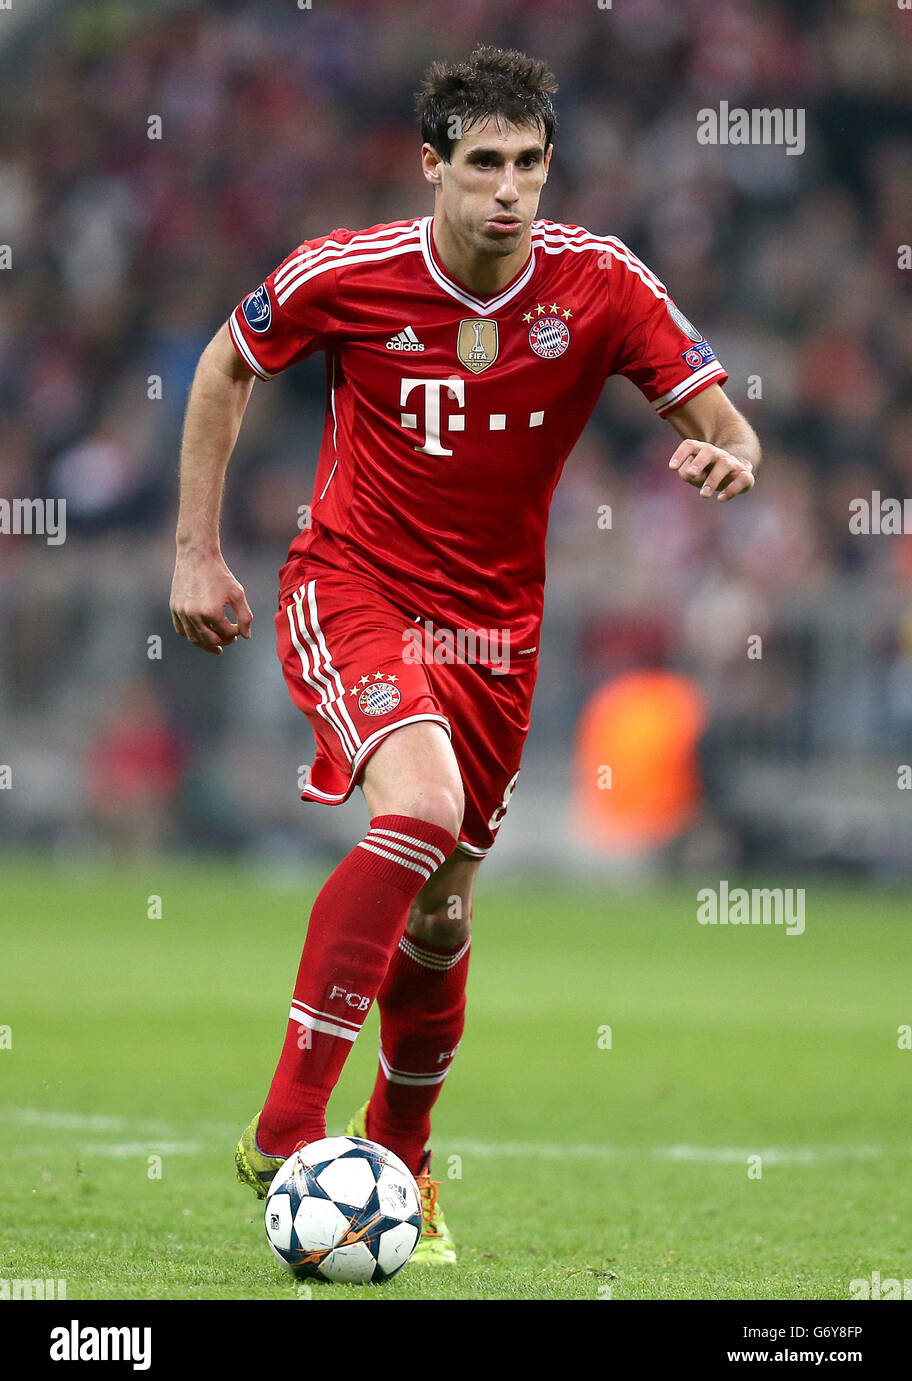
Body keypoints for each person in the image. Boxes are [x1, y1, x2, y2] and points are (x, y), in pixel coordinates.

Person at [169, 45, 760, 1266]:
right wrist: (195, 553)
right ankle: (287, 1121)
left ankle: (404, 1161)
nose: (508, 190)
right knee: (422, 805)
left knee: (441, 921)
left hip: (497, 634)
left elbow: (723, 418)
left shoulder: (600, 284)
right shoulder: (347, 272)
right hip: (356, 584)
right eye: (483, 163)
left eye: (529, 165)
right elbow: (228, 364)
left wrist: (728, 456)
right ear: (430, 165)